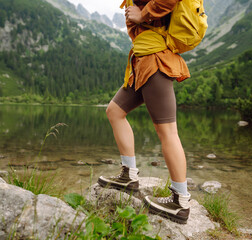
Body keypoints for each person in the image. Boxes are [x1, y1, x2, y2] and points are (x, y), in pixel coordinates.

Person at [97, 0, 191, 224]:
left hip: (155, 60)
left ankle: (181, 201)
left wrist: (144, 14)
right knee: (114, 111)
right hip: (142, 62)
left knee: (167, 131)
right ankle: (128, 176)